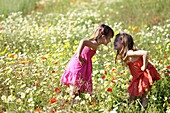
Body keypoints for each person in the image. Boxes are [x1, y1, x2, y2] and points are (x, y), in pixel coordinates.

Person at [60, 24, 114, 98]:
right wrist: (78, 55)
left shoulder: (94, 43)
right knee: (74, 91)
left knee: (77, 90)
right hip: (78, 65)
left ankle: (74, 105)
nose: (110, 41)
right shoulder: (94, 44)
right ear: (103, 37)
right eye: (109, 38)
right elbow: (83, 41)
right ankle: (72, 105)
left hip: (81, 65)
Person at [113, 32, 161, 107]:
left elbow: (145, 53)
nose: (114, 42)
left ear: (124, 43)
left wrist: (144, 66)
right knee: (132, 94)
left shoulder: (130, 53)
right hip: (138, 76)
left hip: (144, 74)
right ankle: (133, 108)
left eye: (117, 41)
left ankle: (144, 109)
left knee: (144, 95)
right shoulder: (126, 54)